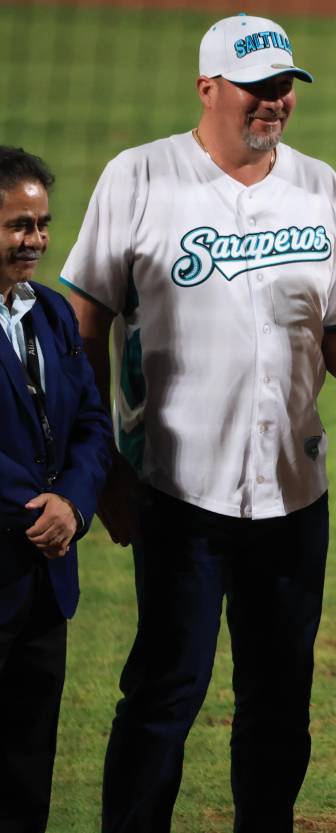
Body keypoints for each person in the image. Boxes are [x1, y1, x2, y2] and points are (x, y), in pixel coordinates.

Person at [60, 15, 336, 833]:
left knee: (279, 702)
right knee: (166, 693)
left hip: (295, 494)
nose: (272, 102)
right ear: (207, 87)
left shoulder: (319, 186)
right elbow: (84, 325)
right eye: (254, 86)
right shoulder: (140, 177)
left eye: (282, 87)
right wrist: (107, 474)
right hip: (176, 490)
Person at [0, 147, 111, 833]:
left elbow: (91, 423)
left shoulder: (52, 313)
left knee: (27, 759)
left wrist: (73, 500)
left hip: (45, 575)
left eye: (41, 224)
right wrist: (35, 505)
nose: (35, 240)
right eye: (18, 225)